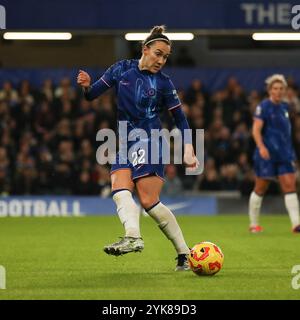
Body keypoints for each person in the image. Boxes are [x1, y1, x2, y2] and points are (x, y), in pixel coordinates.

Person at [77, 25, 199, 270]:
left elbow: (181, 119)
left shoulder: (164, 83)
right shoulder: (121, 69)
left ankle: (184, 254)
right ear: (145, 49)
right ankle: (133, 237)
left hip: (151, 140)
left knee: (148, 200)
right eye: (158, 54)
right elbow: (92, 96)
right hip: (125, 141)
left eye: (165, 57)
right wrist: (86, 86)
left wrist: (189, 148)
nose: (161, 60)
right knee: (120, 189)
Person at [249, 74, 300, 233]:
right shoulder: (263, 106)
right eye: (275, 88)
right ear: (270, 90)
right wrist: (261, 147)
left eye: (281, 89)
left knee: (290, 186)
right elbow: (256, 130)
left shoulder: (286, 107)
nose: (278, 91)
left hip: (285, 154)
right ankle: (254, 224)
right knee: (260, 188)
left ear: (284, 90)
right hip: (267, 155)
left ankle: (296, 224)